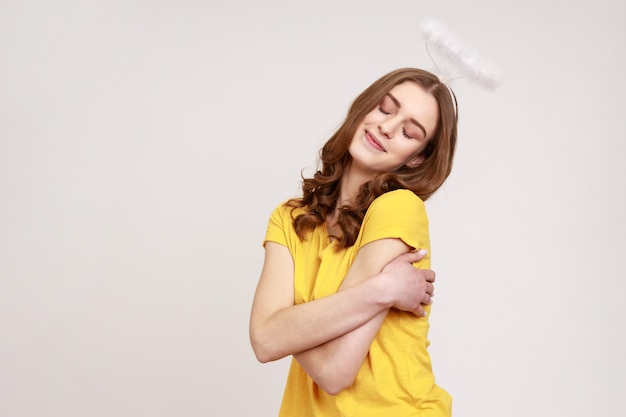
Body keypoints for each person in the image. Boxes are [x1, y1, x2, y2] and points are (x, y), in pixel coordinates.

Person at [249, 68, 458, 416]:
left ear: (417, 157)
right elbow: (263, 341)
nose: (387, 128)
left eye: (408, 132)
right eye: (385, 109)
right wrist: (383, 290)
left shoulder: (398, 208)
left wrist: (288, 325)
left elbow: (334, 370)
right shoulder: (289, 218)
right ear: (364, 108)